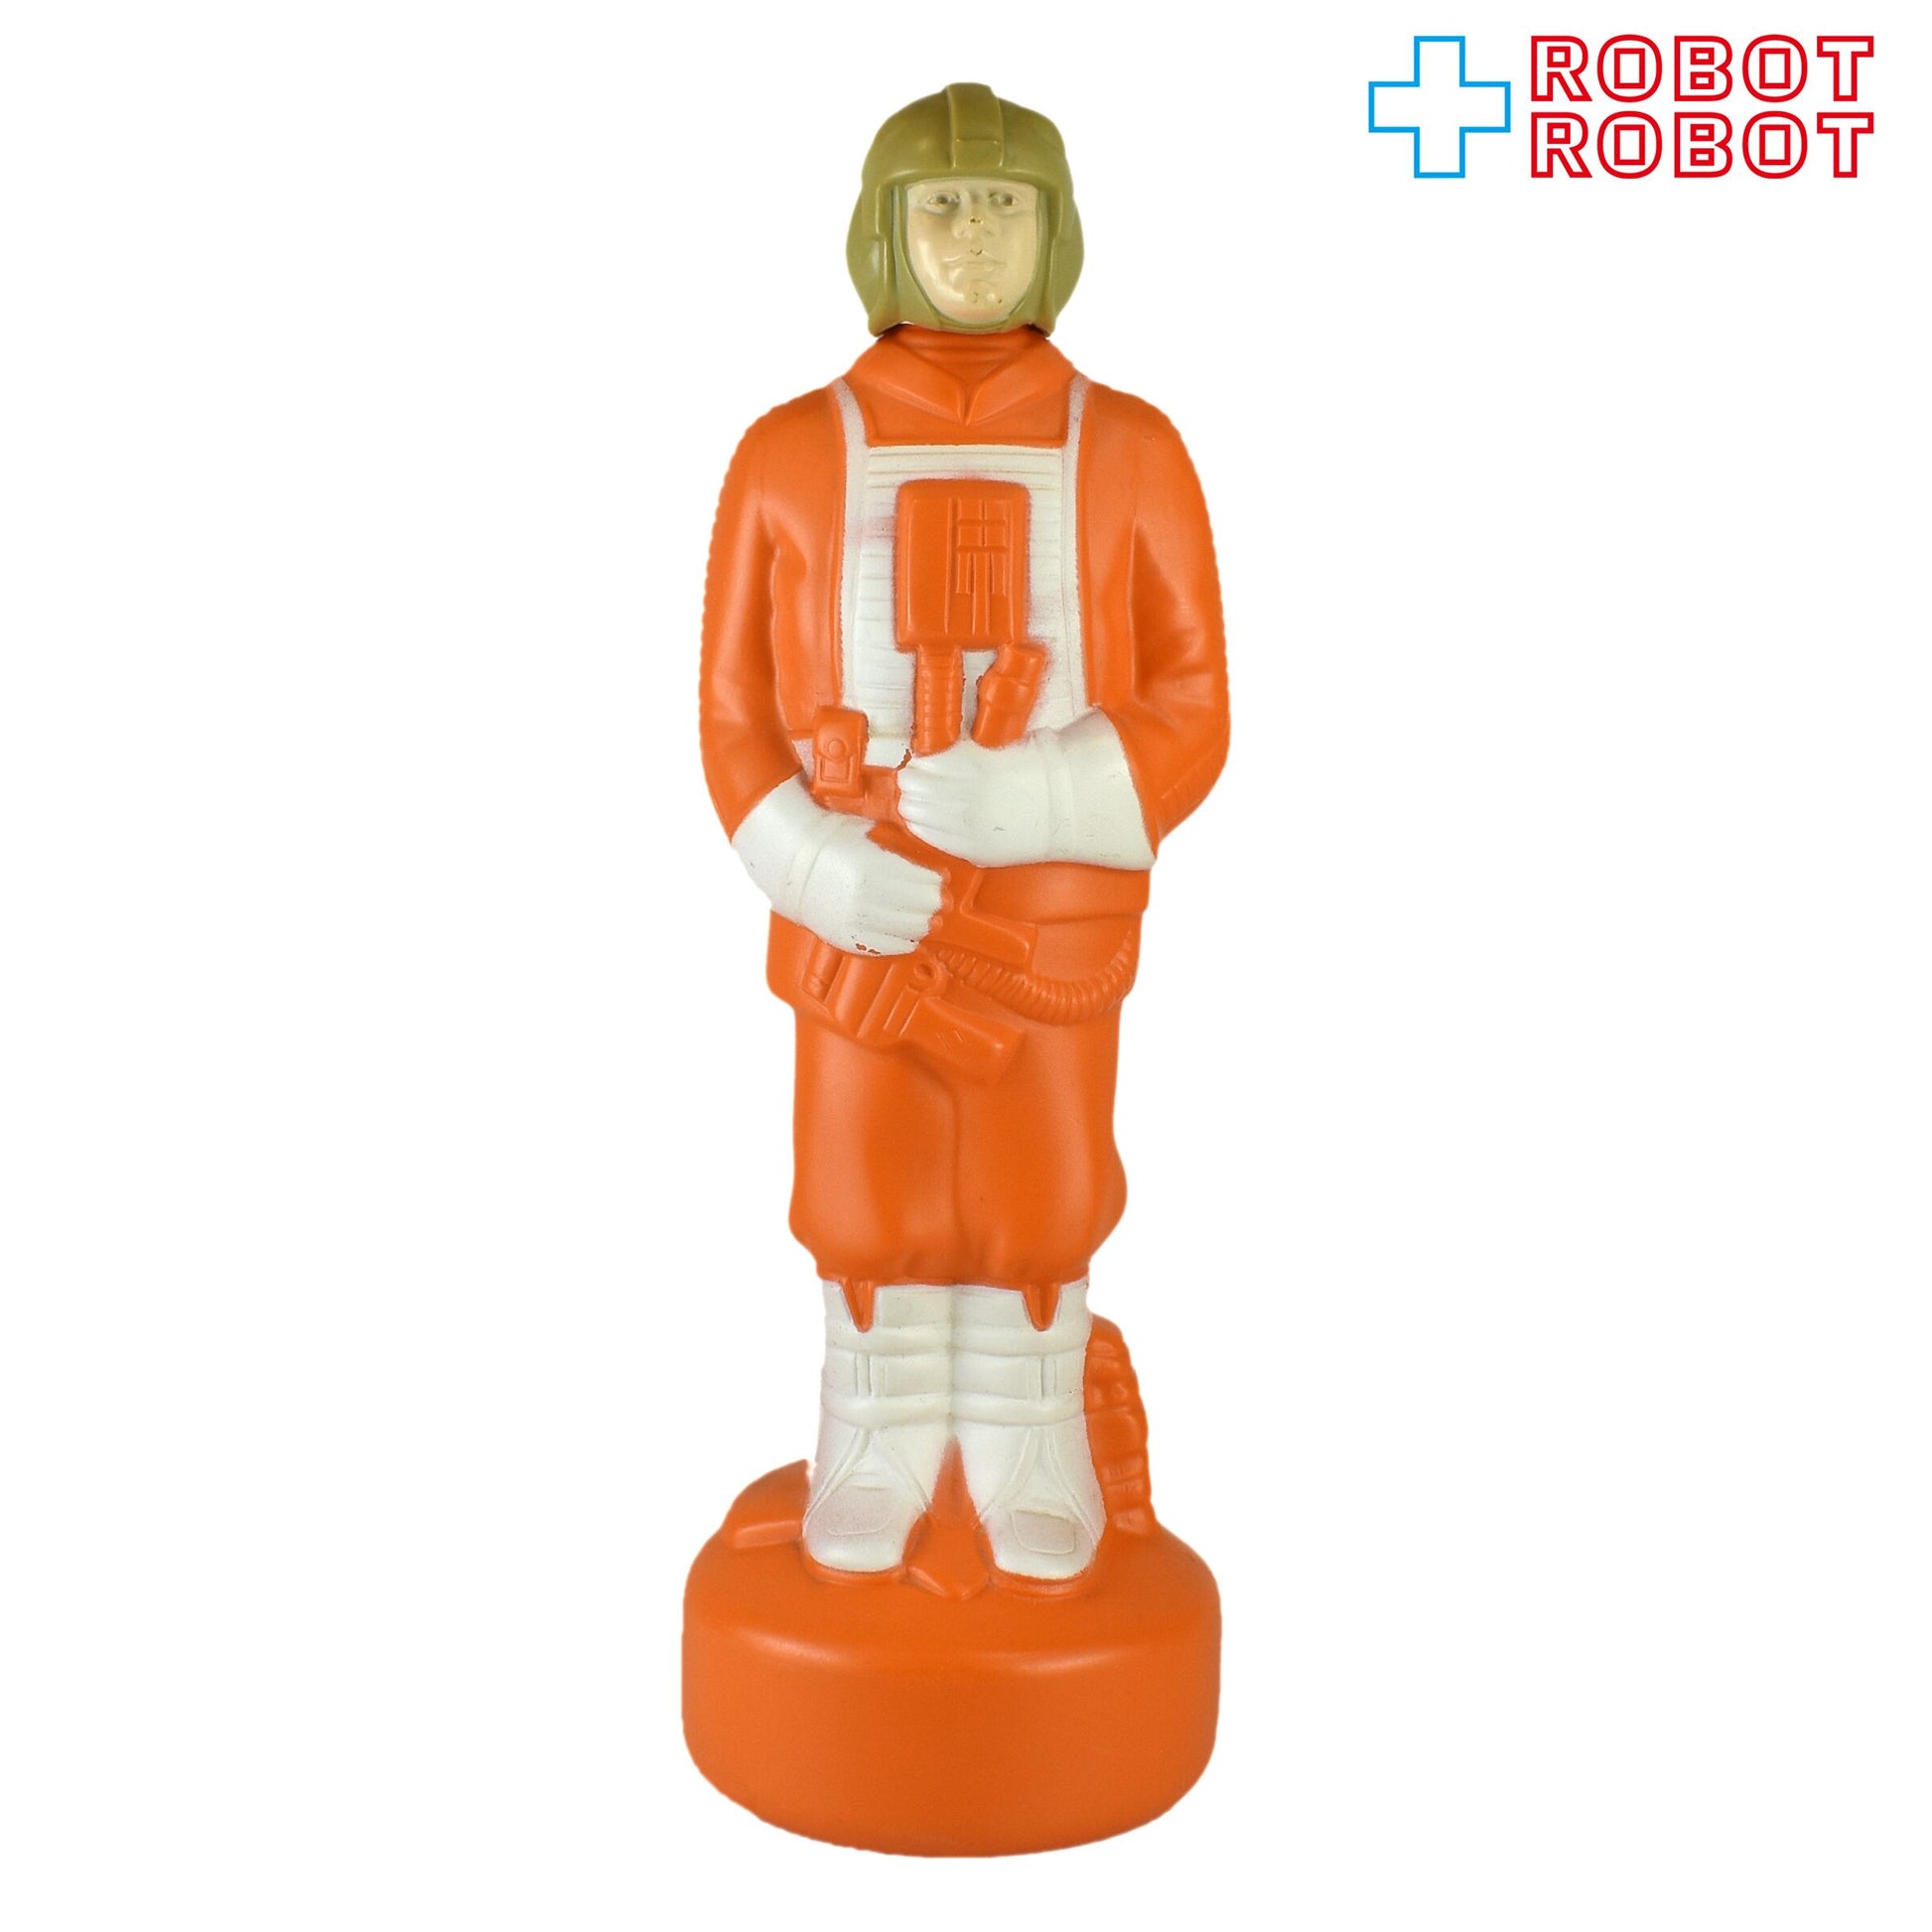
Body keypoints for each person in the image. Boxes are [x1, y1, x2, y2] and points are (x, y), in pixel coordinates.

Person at [699, 82, 1228, 1583]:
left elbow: (1194, 703)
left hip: (1049, 914)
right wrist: (812, 861)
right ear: (884, 231)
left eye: (1006, 206)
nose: (974, 237)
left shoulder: (1132, 449)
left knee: (1038, 1179)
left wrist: (1045, 798)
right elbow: (730, 712)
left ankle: (1028, 1432)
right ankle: (869, 1430)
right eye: (943, 205)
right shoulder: (785, 454)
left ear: (1059, 234)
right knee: (862, 1176)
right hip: (860, 908)